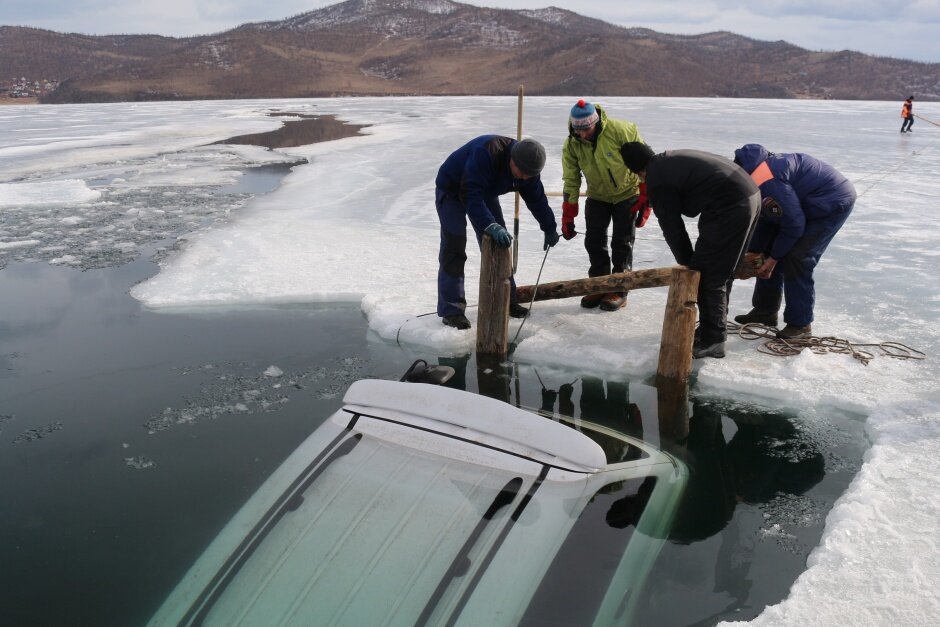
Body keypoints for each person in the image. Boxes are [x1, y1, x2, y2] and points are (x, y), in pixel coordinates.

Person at [619, 142, 760, 359]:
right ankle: (713, 327)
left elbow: (672, 227)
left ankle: (713, 340)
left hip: (730, 203)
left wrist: (688, 264)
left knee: (708, 275)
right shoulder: (667, 161)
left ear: (636, 170)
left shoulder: (657, 178)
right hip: (749, 194)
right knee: (723, 269)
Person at [435, 135, 560, 330]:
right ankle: (451, 310)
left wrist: (549, 227)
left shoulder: (529, 173)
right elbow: (470, 194)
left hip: (484, 192)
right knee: (454, 246)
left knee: (499, 245)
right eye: (522, 172)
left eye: (530, 175)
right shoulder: (486, 153)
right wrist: (490, 225)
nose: (525, 178)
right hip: (452, 188)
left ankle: (506, 300)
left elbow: (537, 201)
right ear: (512, 159)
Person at [732, 144, 856, 339]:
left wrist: (774, 258)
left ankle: (801, 325)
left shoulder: (767, 181)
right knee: (767, 251)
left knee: (798, 257)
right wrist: (755, 252)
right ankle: (765, 312)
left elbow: (793, 224)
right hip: (802, 203)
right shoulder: (759, 174)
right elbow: (766, 219)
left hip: (831, 202)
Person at [561, 100, 650, 311]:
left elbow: (645, 162)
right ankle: (598, 285)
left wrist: (646, 198)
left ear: (596, 121)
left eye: (586, 129)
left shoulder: (622, 131)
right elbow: (571, 179)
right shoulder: (572, 144)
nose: (583, 135)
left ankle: (619, 289)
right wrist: (568, 214)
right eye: (578, 130)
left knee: (622, 243)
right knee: (593, 241)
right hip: (597, 196)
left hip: (627, 194)